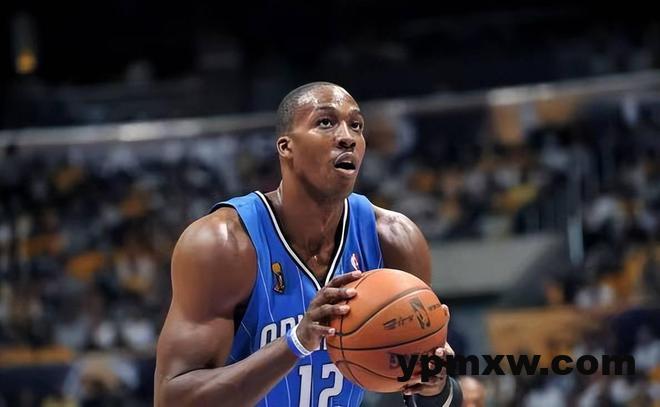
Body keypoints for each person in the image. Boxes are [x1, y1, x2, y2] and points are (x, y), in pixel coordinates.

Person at [154, 82, 462, 406]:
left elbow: (433, 396)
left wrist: (434, 384)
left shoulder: (395, 239)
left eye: (356, 125)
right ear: (286, 147)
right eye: (325, 122)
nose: (347, 137)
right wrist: (296, 342)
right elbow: (173, 400)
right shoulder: (223, 244)